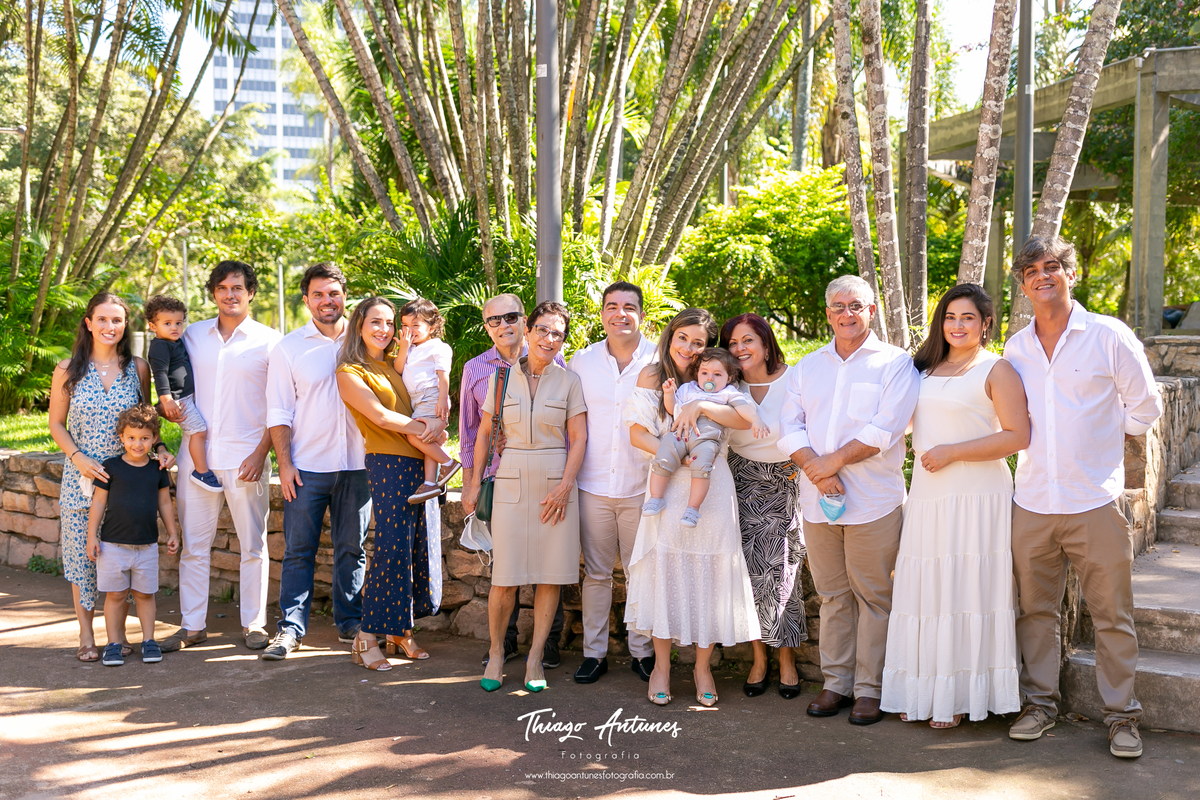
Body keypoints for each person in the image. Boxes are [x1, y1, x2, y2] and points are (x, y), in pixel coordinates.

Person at [1003, 235, 1162, 759]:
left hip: (1093, 501)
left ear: (1072, 275)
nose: (1042, 276)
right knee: (1035, 613)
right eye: (1031, 271)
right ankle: (1040, 705)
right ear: (1023, 285)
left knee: (1112, 615)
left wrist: (1102, 444)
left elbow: (1146, 408)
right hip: (1031, 503)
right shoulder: (1017, 346)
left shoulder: (1108, 336)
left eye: (1052, 267)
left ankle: (1122, 717)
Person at [879, 285, 1029, 728]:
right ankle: (923, 690)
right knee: (925, 589)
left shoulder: (997, 369)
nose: (957, 325)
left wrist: (952, 451)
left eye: (967, 317)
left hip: (978, 497)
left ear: (985, 323)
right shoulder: (921, 368)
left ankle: (960, 695)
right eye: (950, 317)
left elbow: (1017, 436)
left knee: (968, 588)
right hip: (928, 497)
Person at [777, 275, 920, 726]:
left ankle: (870, 690)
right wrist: (816, 471)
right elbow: (789, 426)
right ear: (827, 314)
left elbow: (885, 429)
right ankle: (835, 683)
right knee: (833, 595)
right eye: (838, 306)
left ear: (871, 311)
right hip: (818, 502)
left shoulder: (895, 365)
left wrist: (828, 464)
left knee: (874, 596)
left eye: (855, 305)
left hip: (873, 501)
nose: (846, 313)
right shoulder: (807, 366)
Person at [624, 308, 761, 707]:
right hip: (668, 483)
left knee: (713, 573)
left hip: (712, 486)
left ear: (707, 350)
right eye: (683, 338)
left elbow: (742, 418)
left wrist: (699, 408)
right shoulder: (653, 376)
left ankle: (703, 666)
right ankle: (662, 666)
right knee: (665, 570)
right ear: (671, 336)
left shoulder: (719, 376)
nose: (688, 347)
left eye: (698, 343)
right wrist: (676, 455)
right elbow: (635, 433)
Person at [462, 301, 588, 693]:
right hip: (511, 480)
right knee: (505, 577)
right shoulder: (499, 380)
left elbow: (579, 437)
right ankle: (498, 651)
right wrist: (472, 483)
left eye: (558, 334)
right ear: (528, 331)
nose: (550, 339)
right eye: (543, 330)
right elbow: (483, 434)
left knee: (550, 575)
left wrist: (566, 484)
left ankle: (535, 657)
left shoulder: (569, 381)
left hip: (555, 484)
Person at [161, 260, 282, 653]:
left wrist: (262, 452)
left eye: (238, 288)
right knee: (195, 548)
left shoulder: (270, 341)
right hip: (197, 461)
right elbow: (168, 378)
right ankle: (192, 626)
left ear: (250, 293)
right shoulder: (191, 336)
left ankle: (254, 625)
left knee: (253, 546)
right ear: (213, 292)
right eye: (223, 288)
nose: (230, 294)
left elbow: (280, 405)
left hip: (247, 458)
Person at [49, 292, 176, 663]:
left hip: (130, 481)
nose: (109, 327)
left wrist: (161, 447)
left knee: (122, 558)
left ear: (125, 326)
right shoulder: (67, 369)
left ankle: (121, 638)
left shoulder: (137, 368)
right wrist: (78, 457)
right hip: (82, 477)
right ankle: (87, 636)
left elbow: (145, 418)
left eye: (117, 320)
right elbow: (56, 423)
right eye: (102, 319)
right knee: (83, 558)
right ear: (88, 322)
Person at [261, 264, 374, 661]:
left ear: (346, 295)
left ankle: (350, 624)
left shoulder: (366, 341)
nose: (328, 301)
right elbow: (279, 411)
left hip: (359, 466)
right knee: (299, 550)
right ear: (306, 300)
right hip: (307, 467)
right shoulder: (289, 347)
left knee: (352, 548)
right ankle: (290, 630)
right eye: (319, 295)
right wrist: (286, 464)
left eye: (334, 293)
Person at [336, 297, 441, 672]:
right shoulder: (350, 371)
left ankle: (399, 630)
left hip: (417, 462)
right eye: (375, 322)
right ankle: (366, 636)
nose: (384, 329)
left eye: (389, 323)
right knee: (391, 549)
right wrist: (425, 429)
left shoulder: (398, 365)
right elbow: (379, 415)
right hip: (388, 463)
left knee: (414, 549)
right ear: (359, 327)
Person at [567, 281, 659, 685]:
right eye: (611, 306)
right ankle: (594, 653)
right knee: (598, 574)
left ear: (641, 313)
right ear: (602, 313)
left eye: (628, 307)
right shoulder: (581, 361)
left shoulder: (660, 358)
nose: (620, 313)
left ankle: (643, 652)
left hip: (645, 485)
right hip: (593, 485)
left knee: (642, 571)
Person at [720, 313, 807, 699]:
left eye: (747, 341)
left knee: (784, 573)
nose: (740, 350)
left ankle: (786, 659)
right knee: (747, 574)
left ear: (766, 342)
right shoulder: (726, 383)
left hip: (785, 478)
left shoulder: (795, 378)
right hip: (739, 480)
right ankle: (759, 658)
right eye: (733, 344)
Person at [86, 405, 180, 666]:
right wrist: (91, 536)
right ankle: (114, 643)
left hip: (146, 546)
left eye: (144, 438)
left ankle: (149, 641)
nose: (138, 444)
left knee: (144, 595)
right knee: (115, 595)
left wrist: (172, 532)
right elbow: (98, 503)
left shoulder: (157, 470)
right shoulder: (111, 467)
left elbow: (164, 503)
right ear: (121, 438)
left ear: (154, 439)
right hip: (112, 546)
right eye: (131, 438)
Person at [644, 348, 766, 527]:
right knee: (663, 456)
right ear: (697, 374)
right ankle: (656, 498)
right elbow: (673, 410)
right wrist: (669, 394)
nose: (710, 378)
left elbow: (742, 408)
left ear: (729, 378)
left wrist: (756, 420)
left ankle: (693, 508)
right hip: (679, 433)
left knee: (702, 467)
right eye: (705, 373)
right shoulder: (688, 389)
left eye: (717, 374)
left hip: (706, 438)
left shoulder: (728, 393)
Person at [144, 295, 219, 492]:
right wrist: (167, 400)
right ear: (153, 326)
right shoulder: (160, 346)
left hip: (186, 396)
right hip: (179, 399)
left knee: (199, 430)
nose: (174, 327)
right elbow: (159, 374)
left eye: (178, 322)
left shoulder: (174, 341)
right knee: (198, 431)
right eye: (167, 323)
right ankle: (201, 471)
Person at [395, 297, 461, 504]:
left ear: (431, 326)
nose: (410, 330)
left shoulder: (437, 347)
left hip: (431, 396)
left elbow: (443, 375)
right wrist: (404, 348)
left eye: (416, 325)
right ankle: (430, 483)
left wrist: (443, 400)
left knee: (414, 436)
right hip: (417, 400)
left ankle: (449, 463)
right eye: (405, 325)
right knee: (427, 438)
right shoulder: (410, 349)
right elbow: (398, 370)